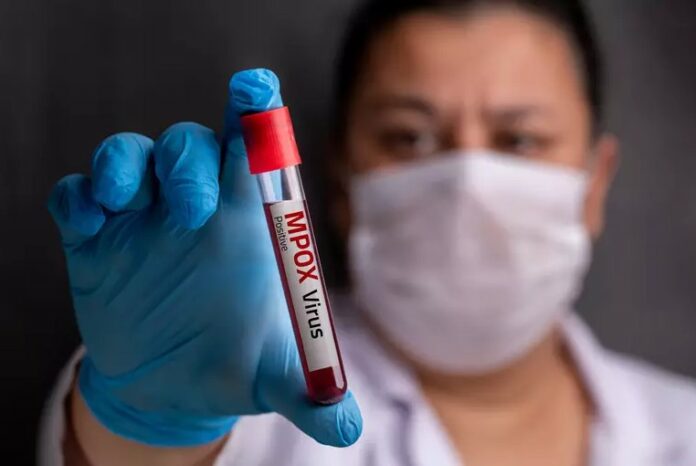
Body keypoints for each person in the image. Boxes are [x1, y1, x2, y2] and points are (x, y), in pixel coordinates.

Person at [39, 0, 696, 465]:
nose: (467, 184)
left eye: (519, 140)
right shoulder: (246, 390)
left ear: (595, 183)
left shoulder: (683, 430)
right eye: (408, 137)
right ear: (341, 181)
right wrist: (151, 424)